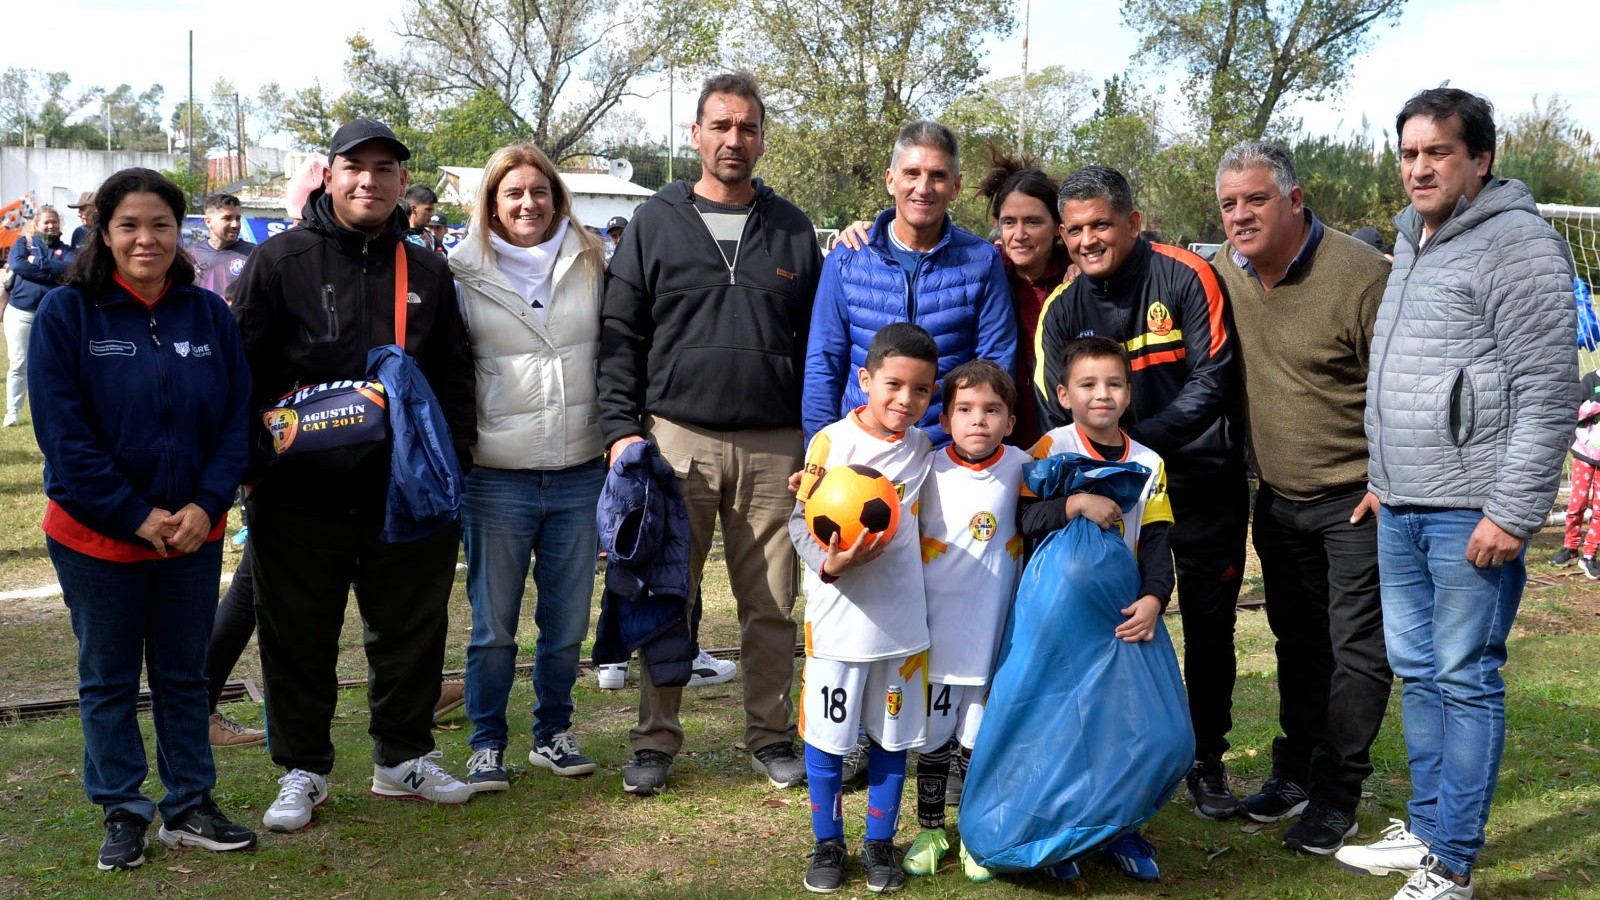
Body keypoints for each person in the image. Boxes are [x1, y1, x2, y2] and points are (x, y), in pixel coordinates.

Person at [1335, 87, 1578, 900]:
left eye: (1437, 151)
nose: (1419, 167)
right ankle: (1430, 824)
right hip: (1402, 503)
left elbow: (1548, 390)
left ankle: (1454, 863)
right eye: (1408, 153)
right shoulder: (1413, 240)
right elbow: (1406, 375)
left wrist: (1511, 512)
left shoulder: (1520, 244)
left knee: (1465, 675)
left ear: (1480, 158)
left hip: (1472, 511)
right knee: (1421, 672)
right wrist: (1382, 477)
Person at [234, 117, 478, 831]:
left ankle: (402, 758)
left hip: (403, 493)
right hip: (299, 496)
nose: (370, 180)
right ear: (330, 175)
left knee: (410, 629)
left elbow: (455, 376)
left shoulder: (428, 267)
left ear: (403, 183)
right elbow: (241, 372)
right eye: (355, 167)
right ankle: (302, 770)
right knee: (296, 636)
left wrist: (452, 463)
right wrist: (251, 469)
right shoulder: (279, 260)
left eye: (385, 169)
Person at [597, 72, 821, 796]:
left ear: (761, 137)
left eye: (747, 127)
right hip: (674, 439)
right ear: (694, 134)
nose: (734, 140)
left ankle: (770, 736)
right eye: (720, 126)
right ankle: (654, 740)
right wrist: (619, 433)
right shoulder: (656, 223)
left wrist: (815, 439)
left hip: (772, 444)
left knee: (772, 604)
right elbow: (620, 335)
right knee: (666, 596)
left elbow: (821, 340)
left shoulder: (792, 227)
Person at [29, 167, 256, 870]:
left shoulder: (208, 314)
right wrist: (136, 515)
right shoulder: (68, 316)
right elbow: (64, 439)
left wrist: (205, 505)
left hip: (192, 534)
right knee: (110, 678)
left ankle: (189, 803)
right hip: (98, 540)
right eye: (128, 225)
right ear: (103, 230)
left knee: (184, 675)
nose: (145, 239)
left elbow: (235, 422)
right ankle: (123, 809)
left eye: (160, 224)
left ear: (179, 231)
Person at [1035, 164, 1248, 821]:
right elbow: (1054, 409)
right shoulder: (1060, 308)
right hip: (1112, 501)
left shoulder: (1188, 275)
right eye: (1074, 230)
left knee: (1210, 630)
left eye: (1100, 224)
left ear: (1132, 222)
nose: (1087, 239)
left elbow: (1212, 376)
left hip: (1203, 484)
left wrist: (1145, 449)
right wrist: (1121, 470)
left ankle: (1206, 763)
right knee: (1111, 627)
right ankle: (1110, 759)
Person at [1210, 142, 1393, 855]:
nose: (1240, 216)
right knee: (1298, 641)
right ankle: (1294, 773)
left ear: (1293, 198)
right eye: (1228, 204)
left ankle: (1338, 794)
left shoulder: (1360, 274)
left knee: (1357, 651)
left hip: (1357, 499)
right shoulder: (1225, 271)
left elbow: (1395, 384)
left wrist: (1388, 479)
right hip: (1279, 498)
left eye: (1255, 199)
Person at [448, 142, 608, 791]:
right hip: (496, 475)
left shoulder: (594, 263)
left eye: (538, 192)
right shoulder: (459, 272)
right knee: (493, 627)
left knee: (567, 624)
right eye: (512, 193)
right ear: (490, 202)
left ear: (557, 198)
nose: (527, 204)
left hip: (579, 469)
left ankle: (553, 731)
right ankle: (486, 742)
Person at [1014, 335, 1176, 883]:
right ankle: (1061, 835)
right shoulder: (1051, 449)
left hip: (1122, 616)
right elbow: (1024, 522)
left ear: (1129, 393)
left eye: (1113, 384)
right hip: (1060, 617)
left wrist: (1155, 599)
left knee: (1130, 727)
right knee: (1065, 725)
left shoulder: (1150, 463)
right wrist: (1073, 504)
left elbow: (1156, 539)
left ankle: (1121, 826)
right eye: (1087, 384)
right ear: (1064, 394)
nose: (1100, 394)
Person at [792, 322, 937, 894]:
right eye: (894, 385)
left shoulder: (926, 447)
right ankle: (828, 845)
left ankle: (879, 844)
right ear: (865, 380)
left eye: (922, 390)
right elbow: (799, 522)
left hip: (902, 630)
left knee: (891, 738)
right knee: (829, 739)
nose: (907, 400)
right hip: (839, 627)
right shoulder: (831, 442)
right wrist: (830, 566)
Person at [803, 120, 1017, 448]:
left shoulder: (982, 261)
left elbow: (995, 361)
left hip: (946, 455)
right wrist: (820, 451)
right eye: (912, 173)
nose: (923, 187)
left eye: (938, 176)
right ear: (891, 180)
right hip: (860, 451)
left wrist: (971, 452)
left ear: (956, 186)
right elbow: (824, 360)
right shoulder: (848, 259)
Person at [900, 358, 1028, 883]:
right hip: (936, 642)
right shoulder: (928, 468)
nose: (979, 420)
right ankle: (931, 830)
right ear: (946, 418)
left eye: (992, 410)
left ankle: (975, 832)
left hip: (992, 641)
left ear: (1011, 421)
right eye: (966, 409)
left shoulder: (1025, 464)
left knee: (978, 742)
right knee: (932, 742)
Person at [977, 154, 1073, 448]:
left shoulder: (1077, 280)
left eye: (1033, 221)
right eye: (1009, 222)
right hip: (997, 443)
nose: (1019, 235)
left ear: (1058, 226)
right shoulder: (985, 274)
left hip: (1065, 441)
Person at [6, 205, 73, 427]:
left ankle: (47, 411)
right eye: (46, 222)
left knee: (49, 364)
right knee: (19, 362)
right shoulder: (23, 243)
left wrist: (37, 262)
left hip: (52, 316)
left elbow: (70, 269)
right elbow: (18, 265)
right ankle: (13, 411)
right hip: (21, 312)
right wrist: (52, 273)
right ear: (36, 224)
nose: (51, 225)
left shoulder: (66, 248)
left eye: (54, 221)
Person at [1555, 370, 1600, 573]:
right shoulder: (1590, 381)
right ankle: (1570, 548)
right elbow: (1575, 413)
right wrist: (1595, 404)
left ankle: (1589, 555)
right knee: (1577, 504)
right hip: (1584, 452)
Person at [190, 193, 256, 298]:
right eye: (227, 218)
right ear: (208, 222)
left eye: (238, 218)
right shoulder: (190, 255)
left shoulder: (254, 254)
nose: (235, 224)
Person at [404, 185, 445, 253]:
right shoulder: (399, 237)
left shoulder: (432, 240)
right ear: (413, 208)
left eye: (432, 210)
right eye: (428, 210)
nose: (432, 214)